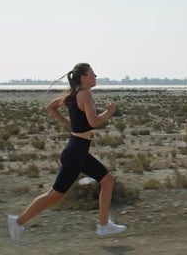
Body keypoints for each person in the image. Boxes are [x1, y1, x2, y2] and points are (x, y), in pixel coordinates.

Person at [7, 63, 126, 243]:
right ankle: (18, 221)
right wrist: (109, 112)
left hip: (77, 150)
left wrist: (68, 124)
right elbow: (93, 122)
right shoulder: (84, 94)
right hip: (76, 153)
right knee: (54, 194)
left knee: (107, 180)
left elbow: (50, 107)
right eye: (93, 73)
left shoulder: (72, 95)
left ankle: (104, 224)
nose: (96, 76)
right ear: (84, 77)